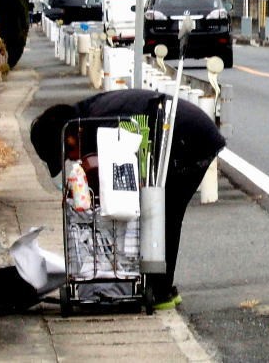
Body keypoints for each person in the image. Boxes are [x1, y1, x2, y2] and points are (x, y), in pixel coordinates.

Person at [30, 89, 226, 309]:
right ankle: (156, 286)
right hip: (188, 131)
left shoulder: (98, 123)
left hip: (188, 137)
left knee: (163, 211)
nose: (71, 158)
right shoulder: (87, 114)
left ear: (69, 138)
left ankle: (159, 291)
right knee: (162, 211)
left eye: (66, 153)